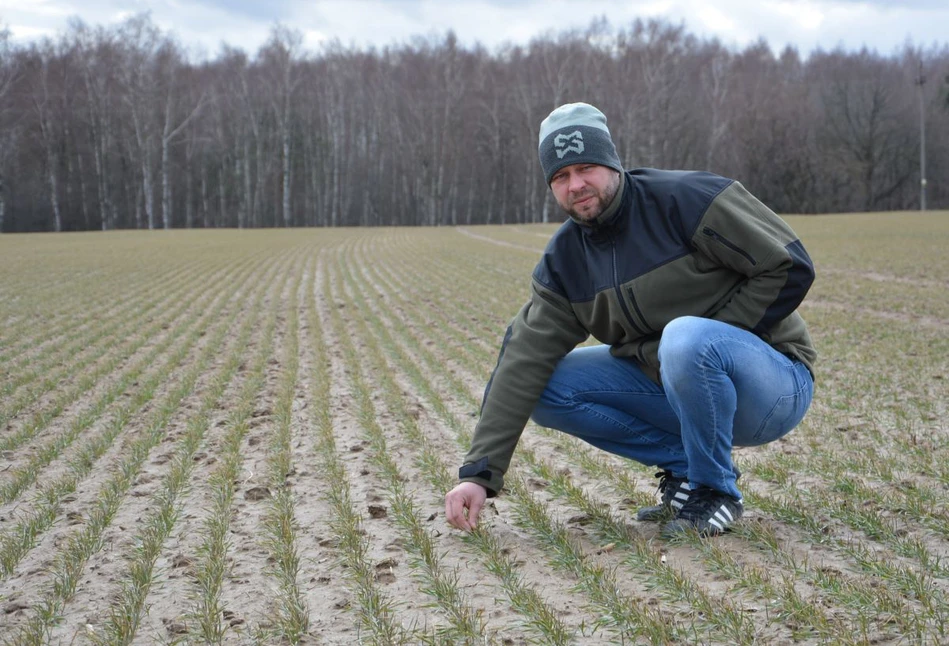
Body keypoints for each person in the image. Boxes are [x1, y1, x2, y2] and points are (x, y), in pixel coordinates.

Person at [444, 102, 816, 539]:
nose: (576, 185)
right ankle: (685, 466)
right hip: (674, 384)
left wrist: (710, 338)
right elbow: (521, 360)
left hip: (771, 382)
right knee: (543, 385)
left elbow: (789, 264)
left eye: (586, 168)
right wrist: (479, 473)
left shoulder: (686, 200)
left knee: (685, 339)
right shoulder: (565, 263)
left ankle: (715, 492)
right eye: (560, 176)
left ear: (612, 163)